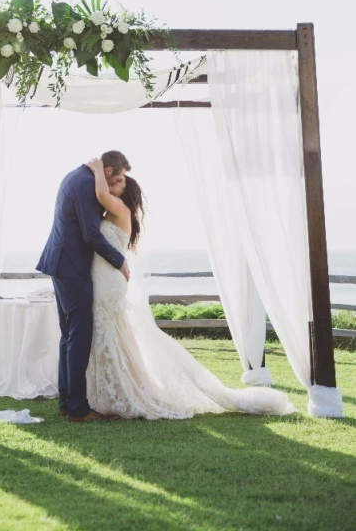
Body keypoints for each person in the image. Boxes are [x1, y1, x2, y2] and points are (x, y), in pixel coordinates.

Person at [84, 156, 296, 419]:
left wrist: (96, 169)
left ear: (123, 193)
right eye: (117, 179)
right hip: (106, 279)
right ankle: (114, 388)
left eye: (119, 182)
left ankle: (124, 391)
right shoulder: (113, 211)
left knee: (109, 333)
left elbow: (100, 192)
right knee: (112, 336)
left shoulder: (117, 208)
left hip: (108, 283)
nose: (115, 184)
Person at [36, 150, 132, 422]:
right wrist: (119, 260)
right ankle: (78, 408)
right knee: (78, 336)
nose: (122, 183)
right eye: (121, 177)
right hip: (72, 268)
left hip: (61, 263)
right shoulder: (86, 183)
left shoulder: (76, 176)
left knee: (68, 335)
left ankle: (67, 401)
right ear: (110, 172)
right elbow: (91, 233)